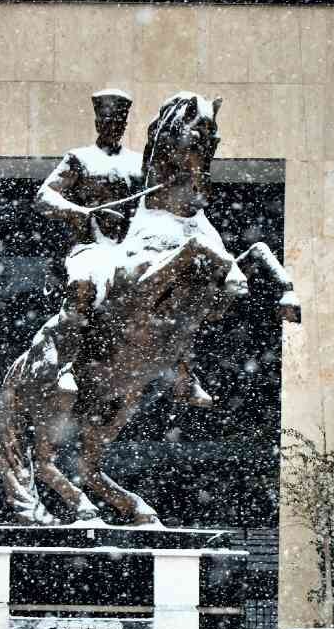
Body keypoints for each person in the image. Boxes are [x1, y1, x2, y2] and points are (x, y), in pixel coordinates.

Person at [33, 89, 211, 407]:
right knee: (85, 283)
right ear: (97, 120)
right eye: (106, 119)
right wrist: (82, 213)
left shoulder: (137, 166)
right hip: (92, 247)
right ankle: (66, 366)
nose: (112, 125)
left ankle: (185, 373)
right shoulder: (79, 159)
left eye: (118, 120)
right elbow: (44, 197)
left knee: (178, 286)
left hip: (130, 248)